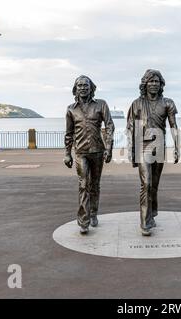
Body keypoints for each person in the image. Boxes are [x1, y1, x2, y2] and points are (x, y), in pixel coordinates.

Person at [126, 69, 180, 236]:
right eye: (151, 81)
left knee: (154, 186)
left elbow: (173, 126)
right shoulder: (136, 103)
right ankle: (144, 222)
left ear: (161, 84)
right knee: (146, 184)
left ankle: (152, 214)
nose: (154, 84)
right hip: (143, 146)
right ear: (145, 84)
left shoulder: (167, 103)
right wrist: (131, 150)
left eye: (157, 81)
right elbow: (130, 128)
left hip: (160, 146)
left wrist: (177, 147)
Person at [64, 75, 115, 235]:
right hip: (80, 152)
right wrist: (67, 153)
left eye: (86, 85)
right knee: (84, 184)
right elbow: (69, 133)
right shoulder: (71, 109)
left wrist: (109, 148)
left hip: (98, 151)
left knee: (95, 185)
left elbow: (109, 125)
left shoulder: (101, 104)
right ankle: (84, 220)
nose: (83, 88)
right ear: (75, 88)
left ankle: (93, 213)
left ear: (91, 88)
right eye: (79, 85)